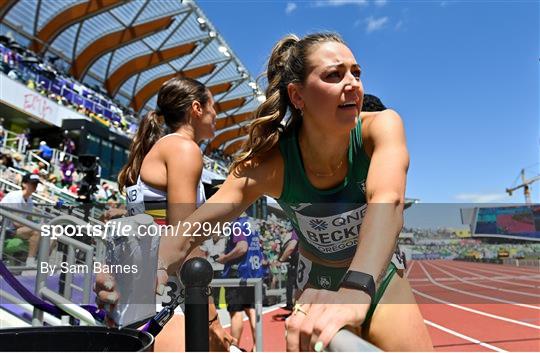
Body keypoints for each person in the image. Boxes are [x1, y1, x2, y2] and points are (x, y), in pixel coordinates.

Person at [98, 33, 433, 351]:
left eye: (356, 73)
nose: (353, 84)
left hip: (376, 280)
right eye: (334, 75)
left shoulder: (383, 127)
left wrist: (357, 289)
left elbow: (388, 202)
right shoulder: (270, 165)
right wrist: (132, 273)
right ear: (297, 96)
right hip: (316, 284)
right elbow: (188, 233)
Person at [96, 77, 233, 351]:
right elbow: (182, 239)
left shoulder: (165, 148)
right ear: (196, 108)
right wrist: (211, 318)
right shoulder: (184, 148)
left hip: (141, 290)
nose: (216, 115)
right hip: (161, 293)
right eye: (213, 107)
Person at [217, 216, 265, 350]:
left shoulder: (237, 225)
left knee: (236, 311)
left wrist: (225, 258)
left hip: (238, 274)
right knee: (252, 310)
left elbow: (242, 247)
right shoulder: (253, 223)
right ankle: (257, 347)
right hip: (253, 272)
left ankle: (234, 347)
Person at [0, 173, 41, 270]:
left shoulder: (29, 201)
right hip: (5, 231)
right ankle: (30, 261)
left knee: (50, 235)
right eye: (32, 183)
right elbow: (16, 222)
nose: (35, 186)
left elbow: (28, 220)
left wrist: (39, 225)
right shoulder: (15, 196)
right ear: (24, 184)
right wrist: (36, 226)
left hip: (14, 230)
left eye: (36, 184)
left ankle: (41, 264)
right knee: (38, 231)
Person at [279, 230, 299, 311]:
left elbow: (291, 247)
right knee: (293, 284)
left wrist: (281, 260)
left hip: (297, 261)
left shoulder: (296, 231)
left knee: (293, 284)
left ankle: (292, 304)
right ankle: (292, 303)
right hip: (299, 260)